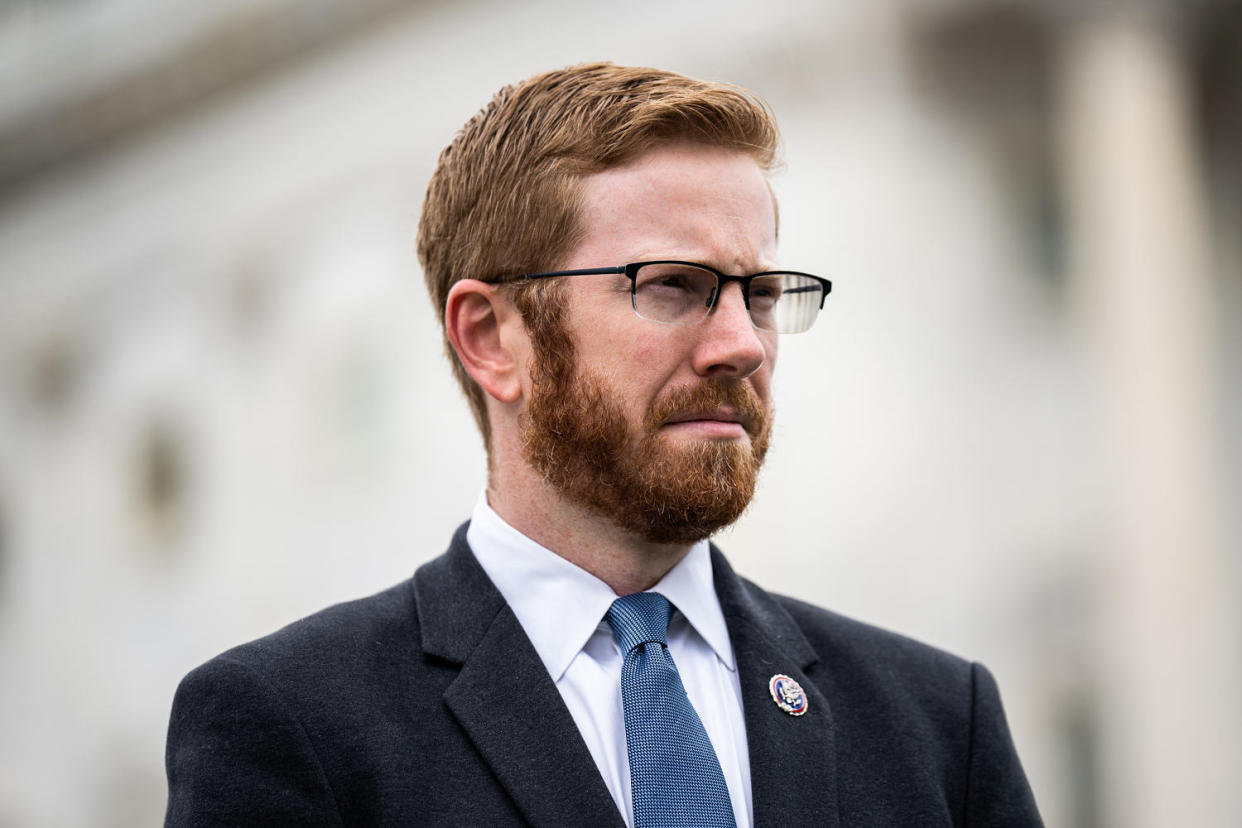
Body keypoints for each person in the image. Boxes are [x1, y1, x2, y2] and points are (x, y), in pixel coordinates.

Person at [164, 62, 1043, 827]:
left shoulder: (936, 723)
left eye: (763, 294)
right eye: (673, 286)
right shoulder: (291, 727)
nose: (744, 343)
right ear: (491, 338)